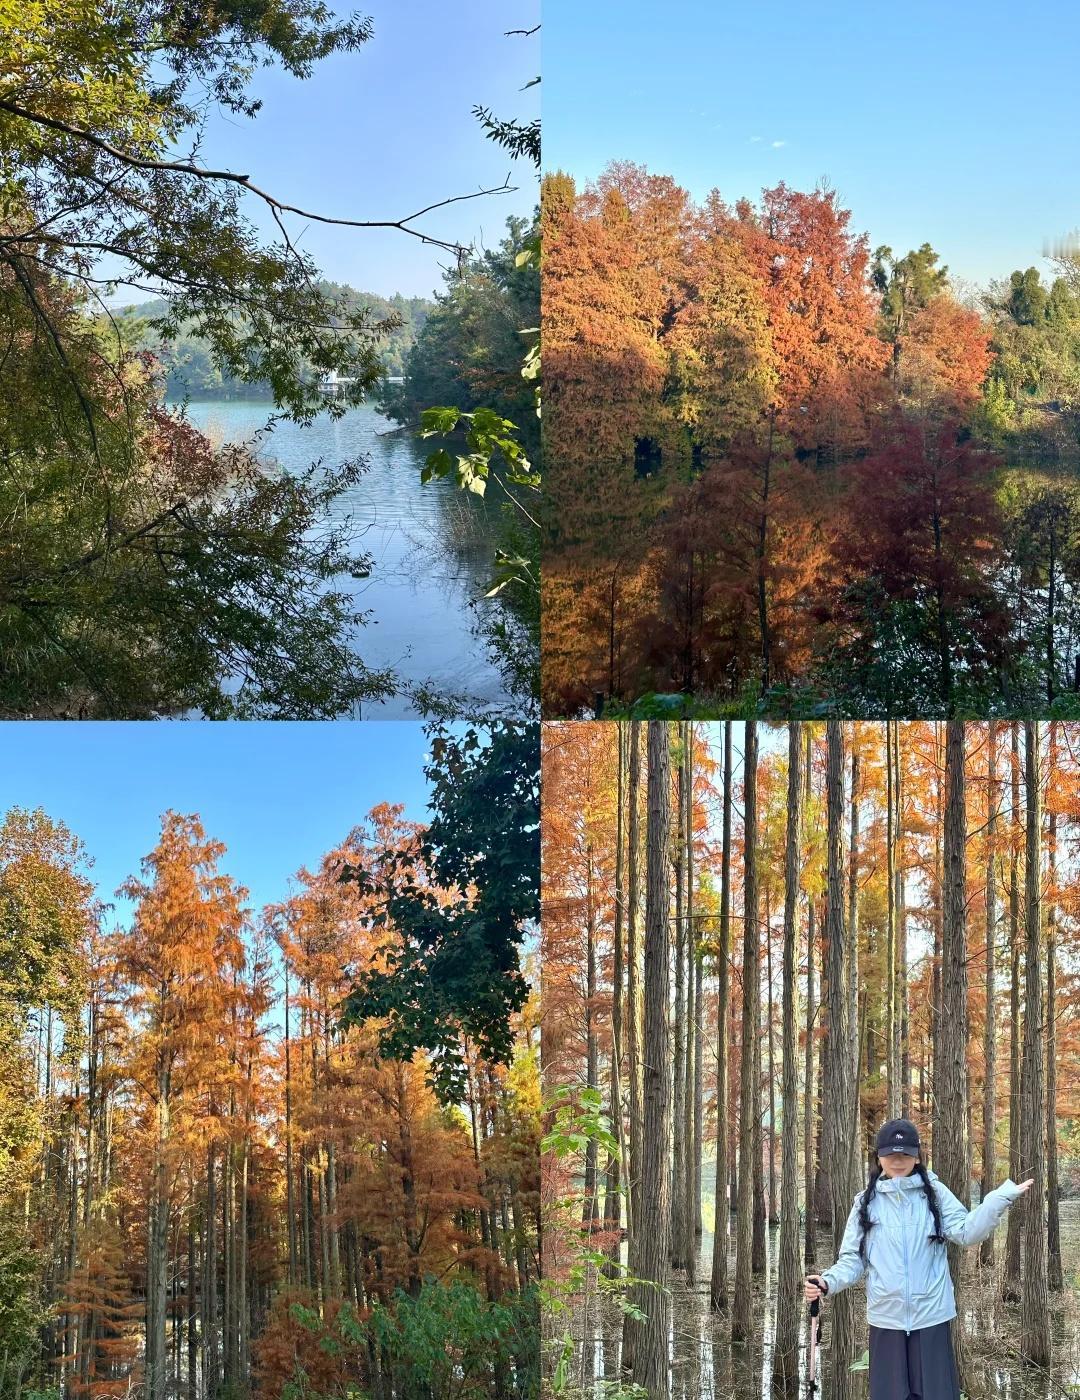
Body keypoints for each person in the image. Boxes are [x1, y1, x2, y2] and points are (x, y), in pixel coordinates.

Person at [803, 1118, 1033, 1400]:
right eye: (891, 1154)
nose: (898, 1160)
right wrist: (827, 1281)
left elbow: (966, 1232)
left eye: (906, 1154)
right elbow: (852, 1260)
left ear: (917, 1157)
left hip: (932, 1317)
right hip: (886, 1320)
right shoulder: (865, 1203)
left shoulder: (935, 1194)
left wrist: (999, 1198)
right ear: (879, 1157)